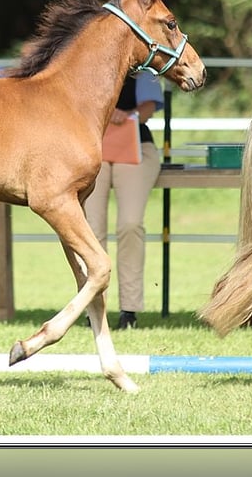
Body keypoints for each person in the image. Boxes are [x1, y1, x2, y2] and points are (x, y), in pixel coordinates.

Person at [84, 71, 164, 329]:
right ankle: (94, 307)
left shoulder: (146, 72)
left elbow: (148, 109)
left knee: (130, 224)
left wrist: (126, 116)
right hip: (95, 149)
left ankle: (129, 309)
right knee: (91, 228)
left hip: (136, 147)